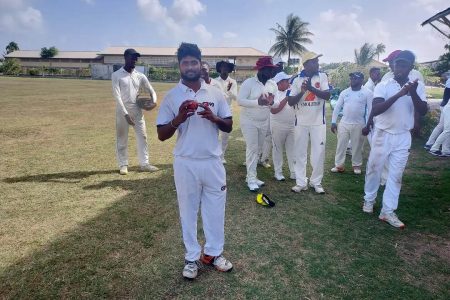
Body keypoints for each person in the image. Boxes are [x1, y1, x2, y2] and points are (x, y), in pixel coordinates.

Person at [156, 42, 233, 279]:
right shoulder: (172, 96)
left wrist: (214, 117)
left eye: (194, 62)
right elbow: (161, 134)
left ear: (201, 65)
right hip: (186, 162)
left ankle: (213, 253)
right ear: (179, 66)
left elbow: (229, 126)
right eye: (185, 62)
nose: (190, 66)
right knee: (188, 211)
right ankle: (191, 258)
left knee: (215, 210)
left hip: (212, 161)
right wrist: (179, 117)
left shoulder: (216, 93)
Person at [362, 50, 428, 228]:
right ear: (393, 65)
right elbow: (376, 109)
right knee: (374, 169)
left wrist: (412, 93)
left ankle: (388, 211)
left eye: (404, 64)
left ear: (410, 67)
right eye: (397, 63)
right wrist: (399, 94)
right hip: (382, 134)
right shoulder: (384, 84)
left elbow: (423, 110)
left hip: (403, 136)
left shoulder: (418, 86)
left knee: (395, 175)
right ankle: (369, 200)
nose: (399, 67)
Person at [287, 52, 331, 194]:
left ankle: (316, 182)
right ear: (306, 64)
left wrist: (311, 88)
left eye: (317, 61)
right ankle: (301, 182)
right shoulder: (296, 79)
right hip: (301, 122)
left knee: (318, 153)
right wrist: (302, 91)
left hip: (318, 122)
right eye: (314, 62)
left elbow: (327, 96)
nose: (317, 64)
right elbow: (290, 101)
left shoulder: (322, 76)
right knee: (300, 153)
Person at [111, 48, 159, 175]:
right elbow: (117, 97)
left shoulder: (140, 76)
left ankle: (144, 164)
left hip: (137, 111)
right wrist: (126, 114)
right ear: (125, 57)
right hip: (122, 111)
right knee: (122, 138)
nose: (135, 60)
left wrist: (154, 102)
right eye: (133, 57)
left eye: (136, 57)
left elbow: (152, 91)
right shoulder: (116, 75)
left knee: (143, 137)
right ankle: (123, 164)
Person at [238, 56, 277, 191]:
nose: (269, 72)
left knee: (258, 149)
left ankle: (253, 176)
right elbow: (240, 101)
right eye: (267, 69)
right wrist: (257, 102)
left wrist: (271, 102)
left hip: (264, 121)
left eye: (271, 69)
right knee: (253, 149)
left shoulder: (272, 84)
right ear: (260, 69)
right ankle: (250, 179)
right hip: (249, 120)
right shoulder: (249, 83)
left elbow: (274, 103)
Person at [330, 72, 373, 174]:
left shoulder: (368, 92)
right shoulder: (345, 92)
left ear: (362, 80)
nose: (352, 80)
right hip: (344, 123)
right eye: (351, 78)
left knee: (357, 146)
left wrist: (368, 125)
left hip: (359, 124)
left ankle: (356, 165)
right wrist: (333, 122)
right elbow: (337, 107)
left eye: (355, 78)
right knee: (341, 145)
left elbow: (371, 110)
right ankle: (339, 165)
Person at [270, 72, 296, 181]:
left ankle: (294, 172)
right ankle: (278, 172)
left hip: (292, 125)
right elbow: (274, 110)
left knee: (292, 149)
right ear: (279, 83)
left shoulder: (291, 91)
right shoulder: (274, 93)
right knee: (277, 149)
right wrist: (286, 98)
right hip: (278, 125)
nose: (288, 83)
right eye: (286, 81)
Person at [215, 60, 238, 164]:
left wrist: (229, 91)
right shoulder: (214, 81)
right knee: (214, 135)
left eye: (227, 67)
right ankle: (215, 155)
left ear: (229, 69)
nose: (224, 69)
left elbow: (236, 97)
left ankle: (222, 156)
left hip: (228, 111)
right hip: (215, 111)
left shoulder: (233, 82)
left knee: (225, 136)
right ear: (219, 69)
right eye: (222, 67)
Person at [424, 75, 450, 150]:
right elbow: (447, 95)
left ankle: (430, 144)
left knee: (442, 126)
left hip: (445, 105)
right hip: (447, 106)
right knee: (447, 129)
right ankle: (441, 148)